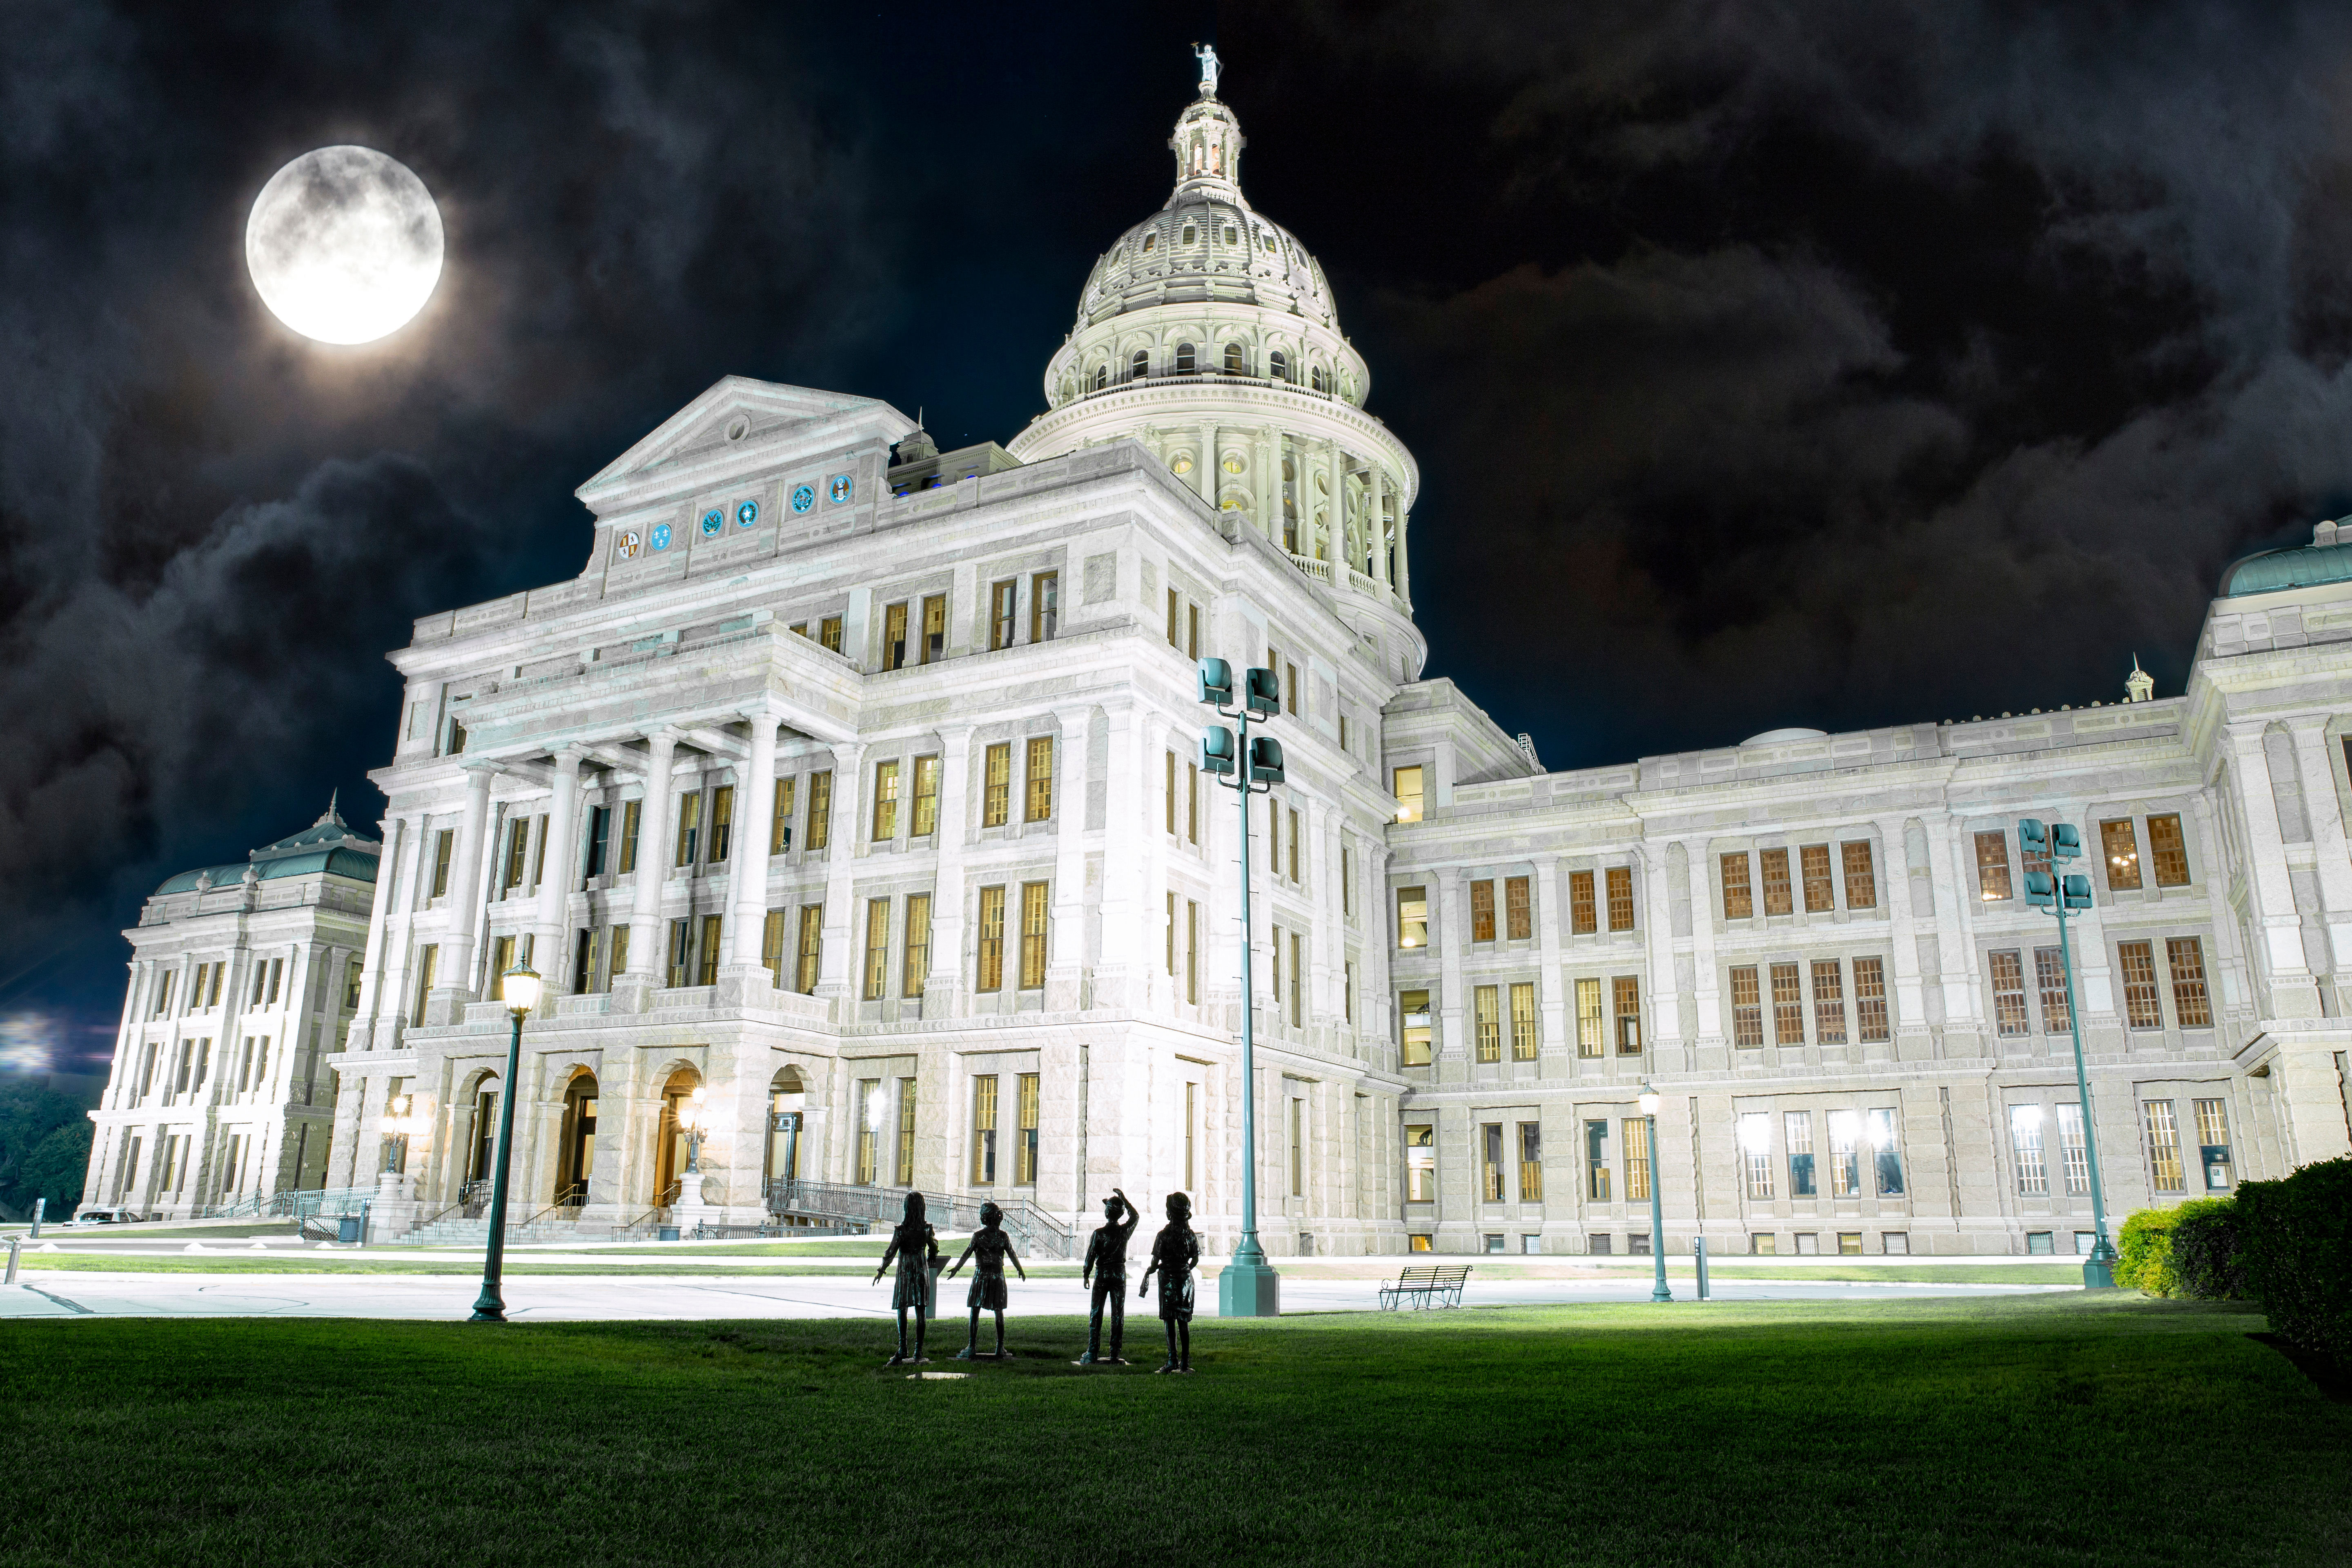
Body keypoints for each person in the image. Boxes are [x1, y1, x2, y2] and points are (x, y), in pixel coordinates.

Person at [943, 1200, 1027, 1360]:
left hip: (982, 1275)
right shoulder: (1002, 1236)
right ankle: (998, 1347)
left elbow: (967, 1253)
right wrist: (1020, 1269)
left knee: (976, 1310)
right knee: (997, 1311)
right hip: (996, 1275)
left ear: (985, 1218)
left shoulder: (980, 1236)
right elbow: (1012, 1254)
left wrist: (957, 1268)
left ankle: (974, 1346)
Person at [871, 1191, 940, 1366]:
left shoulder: (901, 1231)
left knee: (903, 1308)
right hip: (920, 1269)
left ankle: (903, 1348)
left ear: (907, 1209)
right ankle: (918, 1350)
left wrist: (882, 1270)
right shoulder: (926, 1229)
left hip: (905, 1271)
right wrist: (932, 1252)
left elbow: (891, 1252)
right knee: (920, 1311)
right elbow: (933, 1246)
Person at [1139, 1190, 1201, 1374]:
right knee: (1183, 1322)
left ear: (1169, 1214)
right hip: (1185, 1282)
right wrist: (1184, 1269)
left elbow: (1154, 1261)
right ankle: (1184, 1363)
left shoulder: (1163, 1235)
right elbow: (1195, 1260)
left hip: (1167, 1282)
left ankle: (1172, 1360)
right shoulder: (1191, 1236)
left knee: (1169, 1322)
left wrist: (1154, 1268)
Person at [1077, 1187, 1139, 1365]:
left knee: (1096, 1313)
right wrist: (1125, 1200)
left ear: (1107, 1212)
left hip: (1103, 1274)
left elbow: (1091, 1256)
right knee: (1118, 1314)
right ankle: (1114, 1353)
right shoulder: (1124, 1231)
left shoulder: (1100, 1234)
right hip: (1119, 1274)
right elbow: (1135, 1217)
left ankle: (1093, 1351)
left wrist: (1086, 1274)